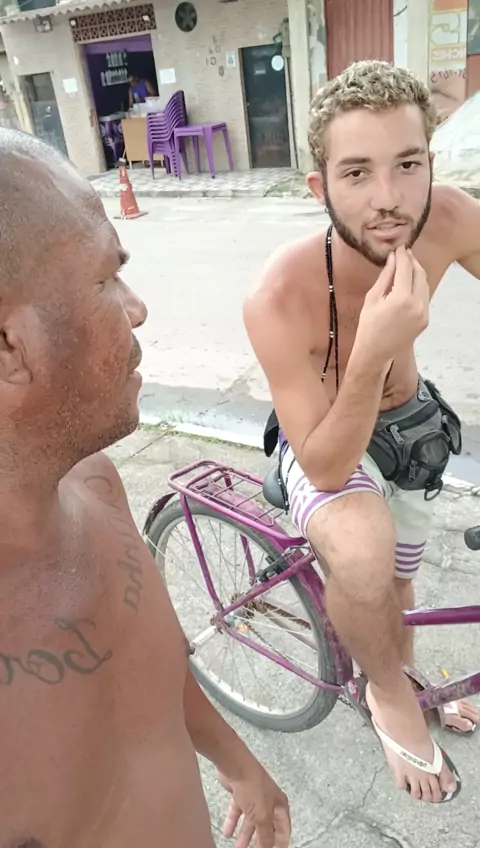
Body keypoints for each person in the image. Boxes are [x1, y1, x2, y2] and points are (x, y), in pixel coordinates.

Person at [0, 127, 291, 848]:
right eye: (106, 279)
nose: (137, 309)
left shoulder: (96, 486)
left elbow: (145, 659)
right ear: (7, 346)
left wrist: (237, 761)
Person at [244, 60, 480, 805]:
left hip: (411, 426)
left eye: (407, 165)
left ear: (430, 163)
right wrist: (373, 349)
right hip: (324, 439)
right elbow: (321, 462)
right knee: (362, 552)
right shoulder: (279, 296)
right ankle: (388, 694)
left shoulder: (448, 217)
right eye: (356, 173)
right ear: (320, 187)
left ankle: (398, 664)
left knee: (398, 583)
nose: (388, 199)